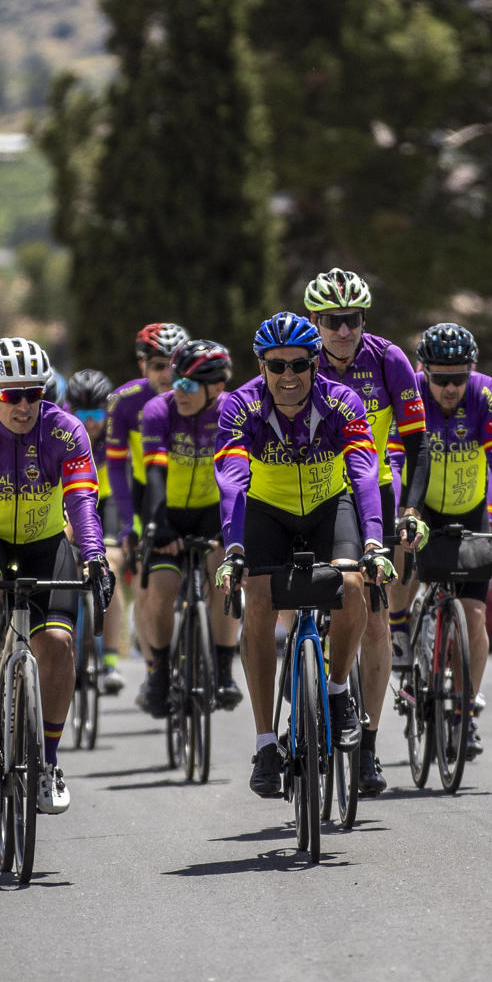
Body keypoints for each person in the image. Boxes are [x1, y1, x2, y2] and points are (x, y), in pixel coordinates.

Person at [212, 312, 394, 799]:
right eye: (276, 366)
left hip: (328, 507)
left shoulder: (342, 402)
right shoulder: (239, 406)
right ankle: (266, 743)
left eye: (298, 365)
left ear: (315, 365)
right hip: (266, 512)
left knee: (352, 584)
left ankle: (336, 694)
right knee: (259, 599)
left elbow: (362, 472)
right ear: (262, 366)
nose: (287, 377)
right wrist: (233, 547)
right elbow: (231, 480)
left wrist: (374, 541)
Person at [0, 338, 113, 816]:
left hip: (45, 542)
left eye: (33, 394)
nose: (22, 405)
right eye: (10, 395)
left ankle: (51, 762)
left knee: (58, 644)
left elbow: (82, 500)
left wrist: (95, 556)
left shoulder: (66, 431)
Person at [302, 268, 424, 793]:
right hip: (316, 492)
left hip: (375, 492)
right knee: (295, 602)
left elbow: (418, 446)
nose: (343, 332)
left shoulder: (389, 360)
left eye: (351, 321)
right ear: (316, 322)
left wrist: (413, 510)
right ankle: (303, 680)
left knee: (376, 624)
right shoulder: (296, 363)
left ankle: (369, 745)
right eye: (333, 322)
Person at [395, 323, 492, 760]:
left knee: (473, 616)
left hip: (472, 508)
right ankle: (400, 629)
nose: (451, 387)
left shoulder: (486, 394)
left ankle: (466, 713)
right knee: (402, 547)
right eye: (441, 378)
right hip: (424, 505)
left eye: (459, 377)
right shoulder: (411, 392)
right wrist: (404, 512)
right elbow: (396, 460)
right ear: (424, 370)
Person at [139, 339, 243, 714]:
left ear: (215, 387)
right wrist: (157, 525)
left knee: (223, 575)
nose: (176, 390)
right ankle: (161, 673)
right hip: (168, 512)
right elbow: (154, 475)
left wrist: (229, 531)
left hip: (215, 510)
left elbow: (237, 476)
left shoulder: (232, 410)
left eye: (187, 384)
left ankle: (223, 669)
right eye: (175, 380)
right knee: (162, 588)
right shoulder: (158, 410)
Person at [104, 321, 190, 715]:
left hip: (193, 495)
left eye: (174, 364)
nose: (167, 374)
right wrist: (129, 524)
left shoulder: (199, 397)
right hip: (145, 496)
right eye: (158, 365)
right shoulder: (123, 403)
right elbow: (117, 470)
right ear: (142, 365)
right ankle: (157, 664)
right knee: (146, 580)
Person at [63, 368, 129, 695]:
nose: (90, 422)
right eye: (82, 415)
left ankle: (110, 662)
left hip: (106, 500)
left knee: (111, 566)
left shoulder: (118, 431)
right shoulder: (62, 429)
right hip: (72, 499)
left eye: (96, 414)